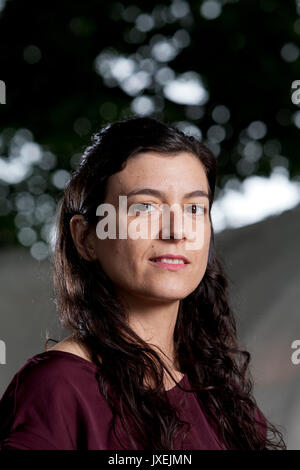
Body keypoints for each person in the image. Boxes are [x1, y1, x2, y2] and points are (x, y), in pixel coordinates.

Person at [0, 116, 286, 450]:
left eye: (195, 208)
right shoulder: (58, 387)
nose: (176, 231)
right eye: (146, 207)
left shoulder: (220, 395)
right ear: (86, 238)